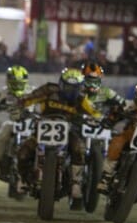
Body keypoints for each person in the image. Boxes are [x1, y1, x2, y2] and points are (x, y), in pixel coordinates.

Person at [17, 68, 102, 209]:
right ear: (61, 84)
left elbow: (94, 112)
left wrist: (98, 119)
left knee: (79, 148)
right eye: (67, 86)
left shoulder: (81, 99)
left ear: (80, 87)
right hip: (42, 127)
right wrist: (22, 105)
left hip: (68, 130)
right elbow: (29, 98)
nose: (70, 90)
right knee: (23, 152)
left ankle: (76, 182)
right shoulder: (49, 90)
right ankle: (23, 179)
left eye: (74, 87)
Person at [0, 66, 33, 181]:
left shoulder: (32, 91)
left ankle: (43, 166)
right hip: (13, 122)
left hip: (31, 122)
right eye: (14, 83)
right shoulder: (4, 92)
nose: (16, 85)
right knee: (2, 136)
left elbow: (42, 104)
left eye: (19, 83)